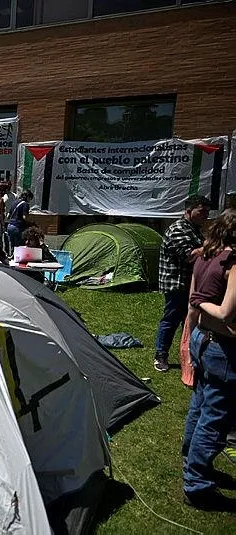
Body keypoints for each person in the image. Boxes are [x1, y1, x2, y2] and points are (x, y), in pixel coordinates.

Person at [181, 210, 236, 511]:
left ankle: (191, 462)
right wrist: (201, 302)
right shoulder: (231, 262)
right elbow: (226, 312)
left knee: (200, 405)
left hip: (202, 338)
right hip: (223, 348)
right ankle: (197, 483)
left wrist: (188, 339)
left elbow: (193, 304)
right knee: (215, 418)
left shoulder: (204, 256)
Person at [154, 195, 210, 372]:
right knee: (171, 319)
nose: (206, 215)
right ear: (188, 210)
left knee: (190, 321)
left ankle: (190, 356)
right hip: (176, 282)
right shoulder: (178, 228)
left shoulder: (194, 229)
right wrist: (213, 244)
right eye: (202, 211)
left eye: (207, 212)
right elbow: (190, 255)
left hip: (190, 284)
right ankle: (160, 355)